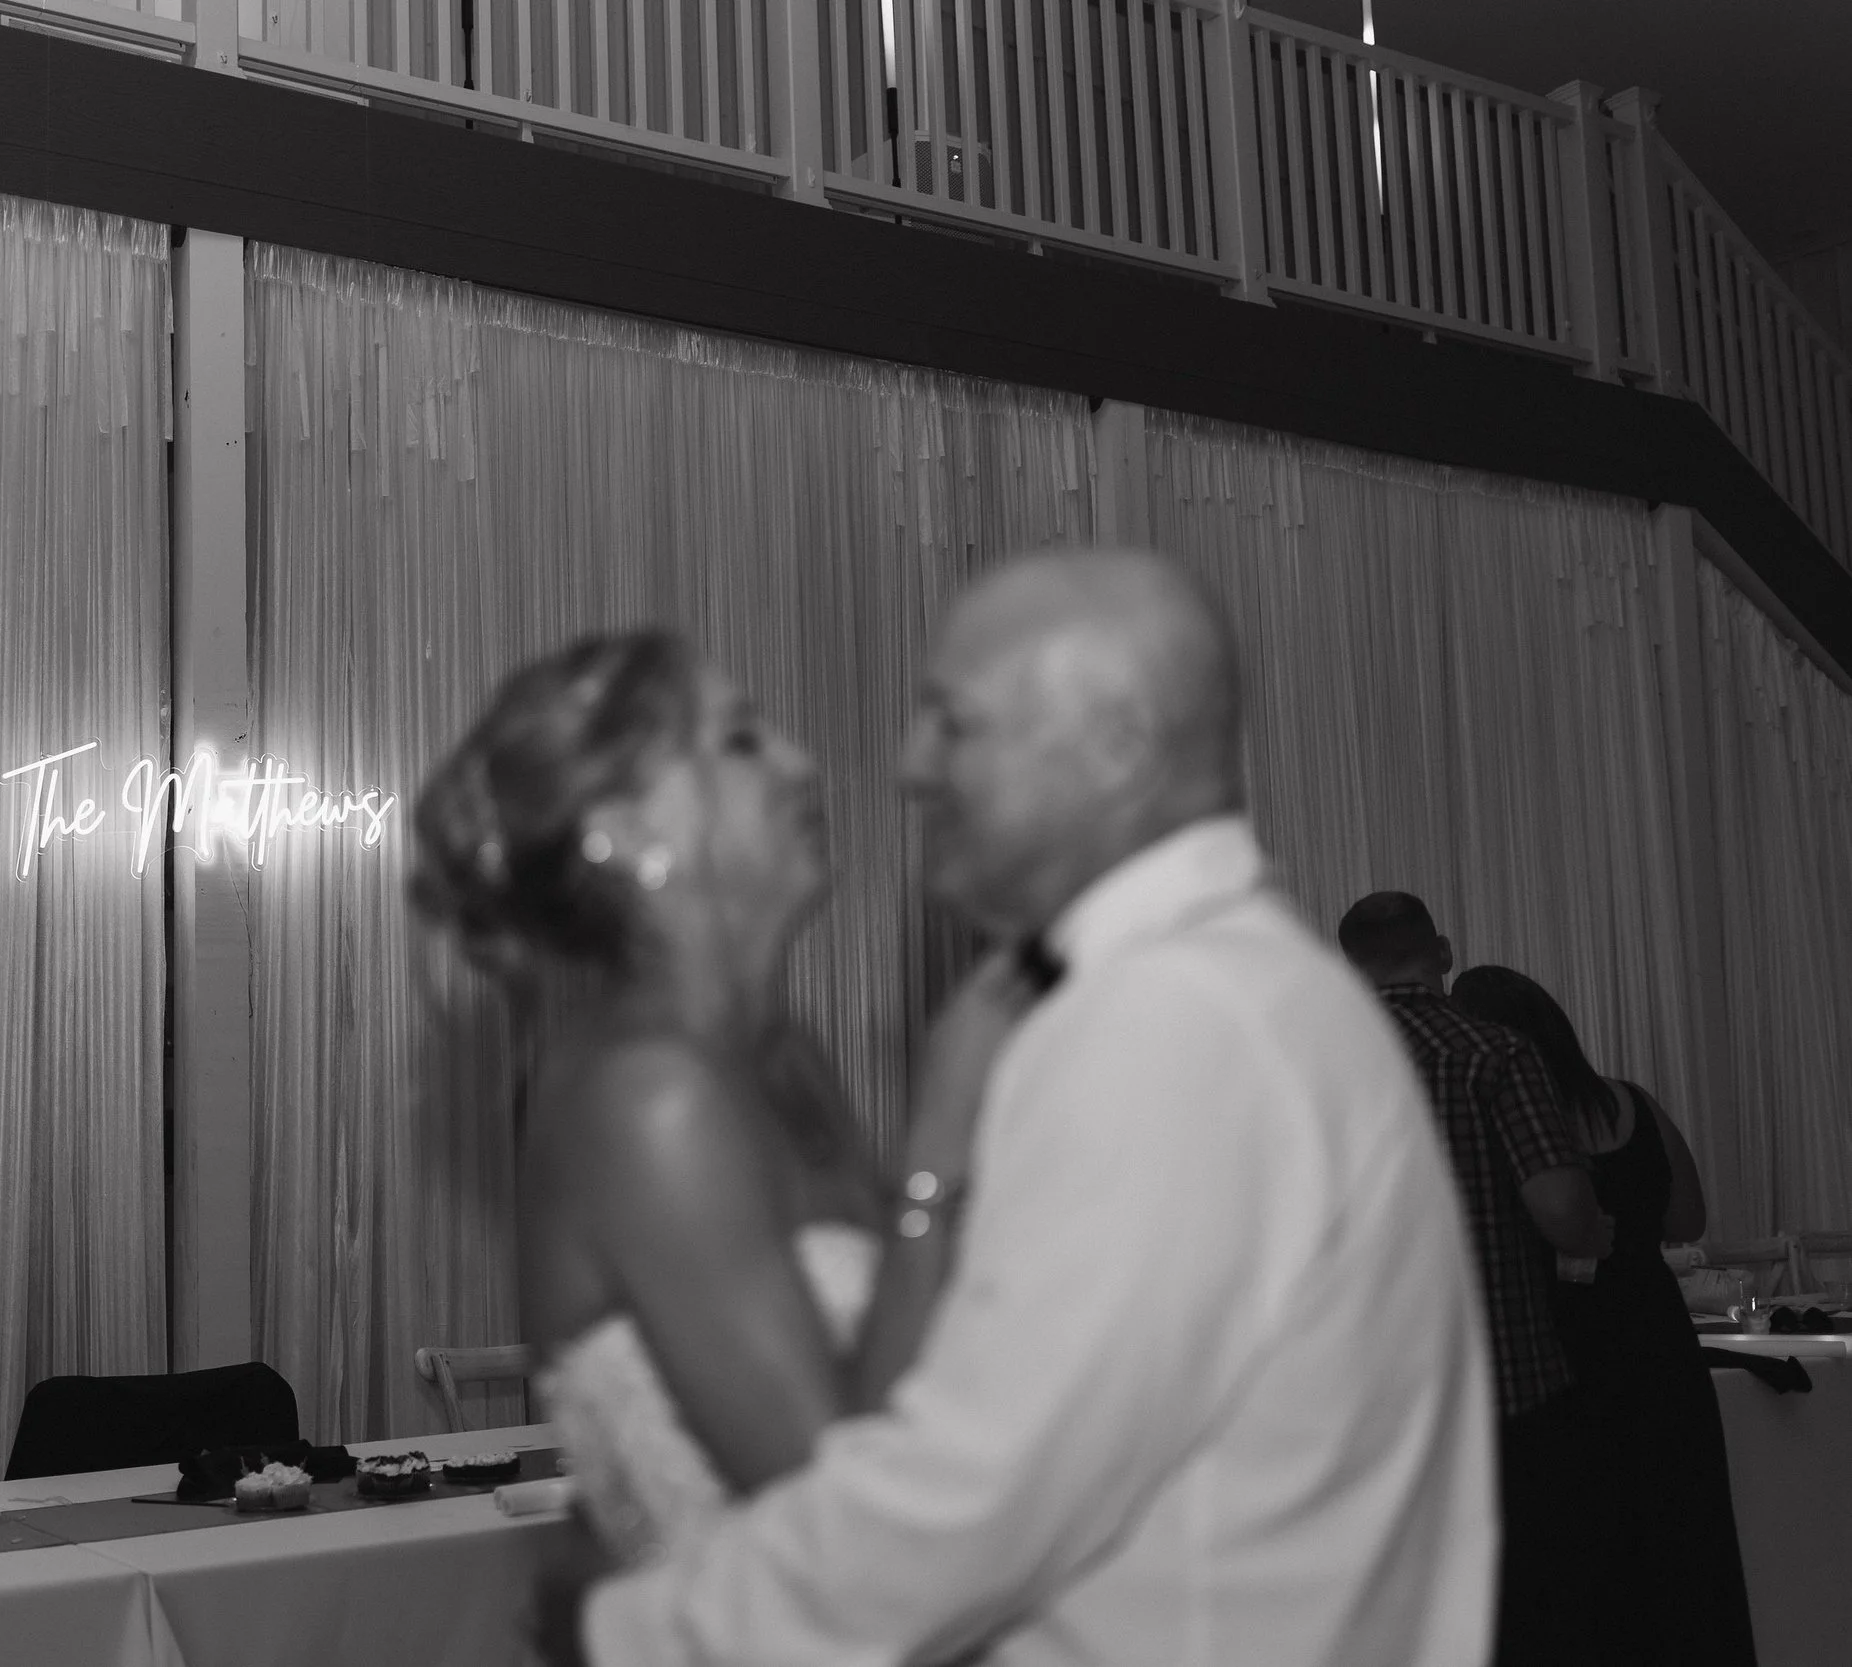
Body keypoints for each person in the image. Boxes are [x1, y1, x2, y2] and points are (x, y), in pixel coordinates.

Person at [580, 547, 1496, 1666]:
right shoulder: (1235, 984)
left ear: (1117, 747)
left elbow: (972, 1500)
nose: (911, 767)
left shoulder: (1168, 1022)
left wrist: (621, 1637)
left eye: (953, 722)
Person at [409, 629, 885, 1565]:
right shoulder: (649, 1098)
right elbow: (840, 1507)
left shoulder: (786, 1059)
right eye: (740, 740)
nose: (801, 762)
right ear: (629, 831)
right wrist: (944, 1152)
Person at [1336, 894, 1616, 1667]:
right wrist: (1592, 1233)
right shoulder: (1494, 1053)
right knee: (1524, 1611)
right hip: (1503, 1383)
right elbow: (1559, 1208)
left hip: (1365, 1399)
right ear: (1443, 953)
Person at [1451, 964, 1757, 1667]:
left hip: (1561, 1339)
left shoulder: (1517, 1125)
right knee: (1683, 1530)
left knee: (1586, 1550)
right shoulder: (1635, 1103)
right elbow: (1687, 1218)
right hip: (1655, 1332)